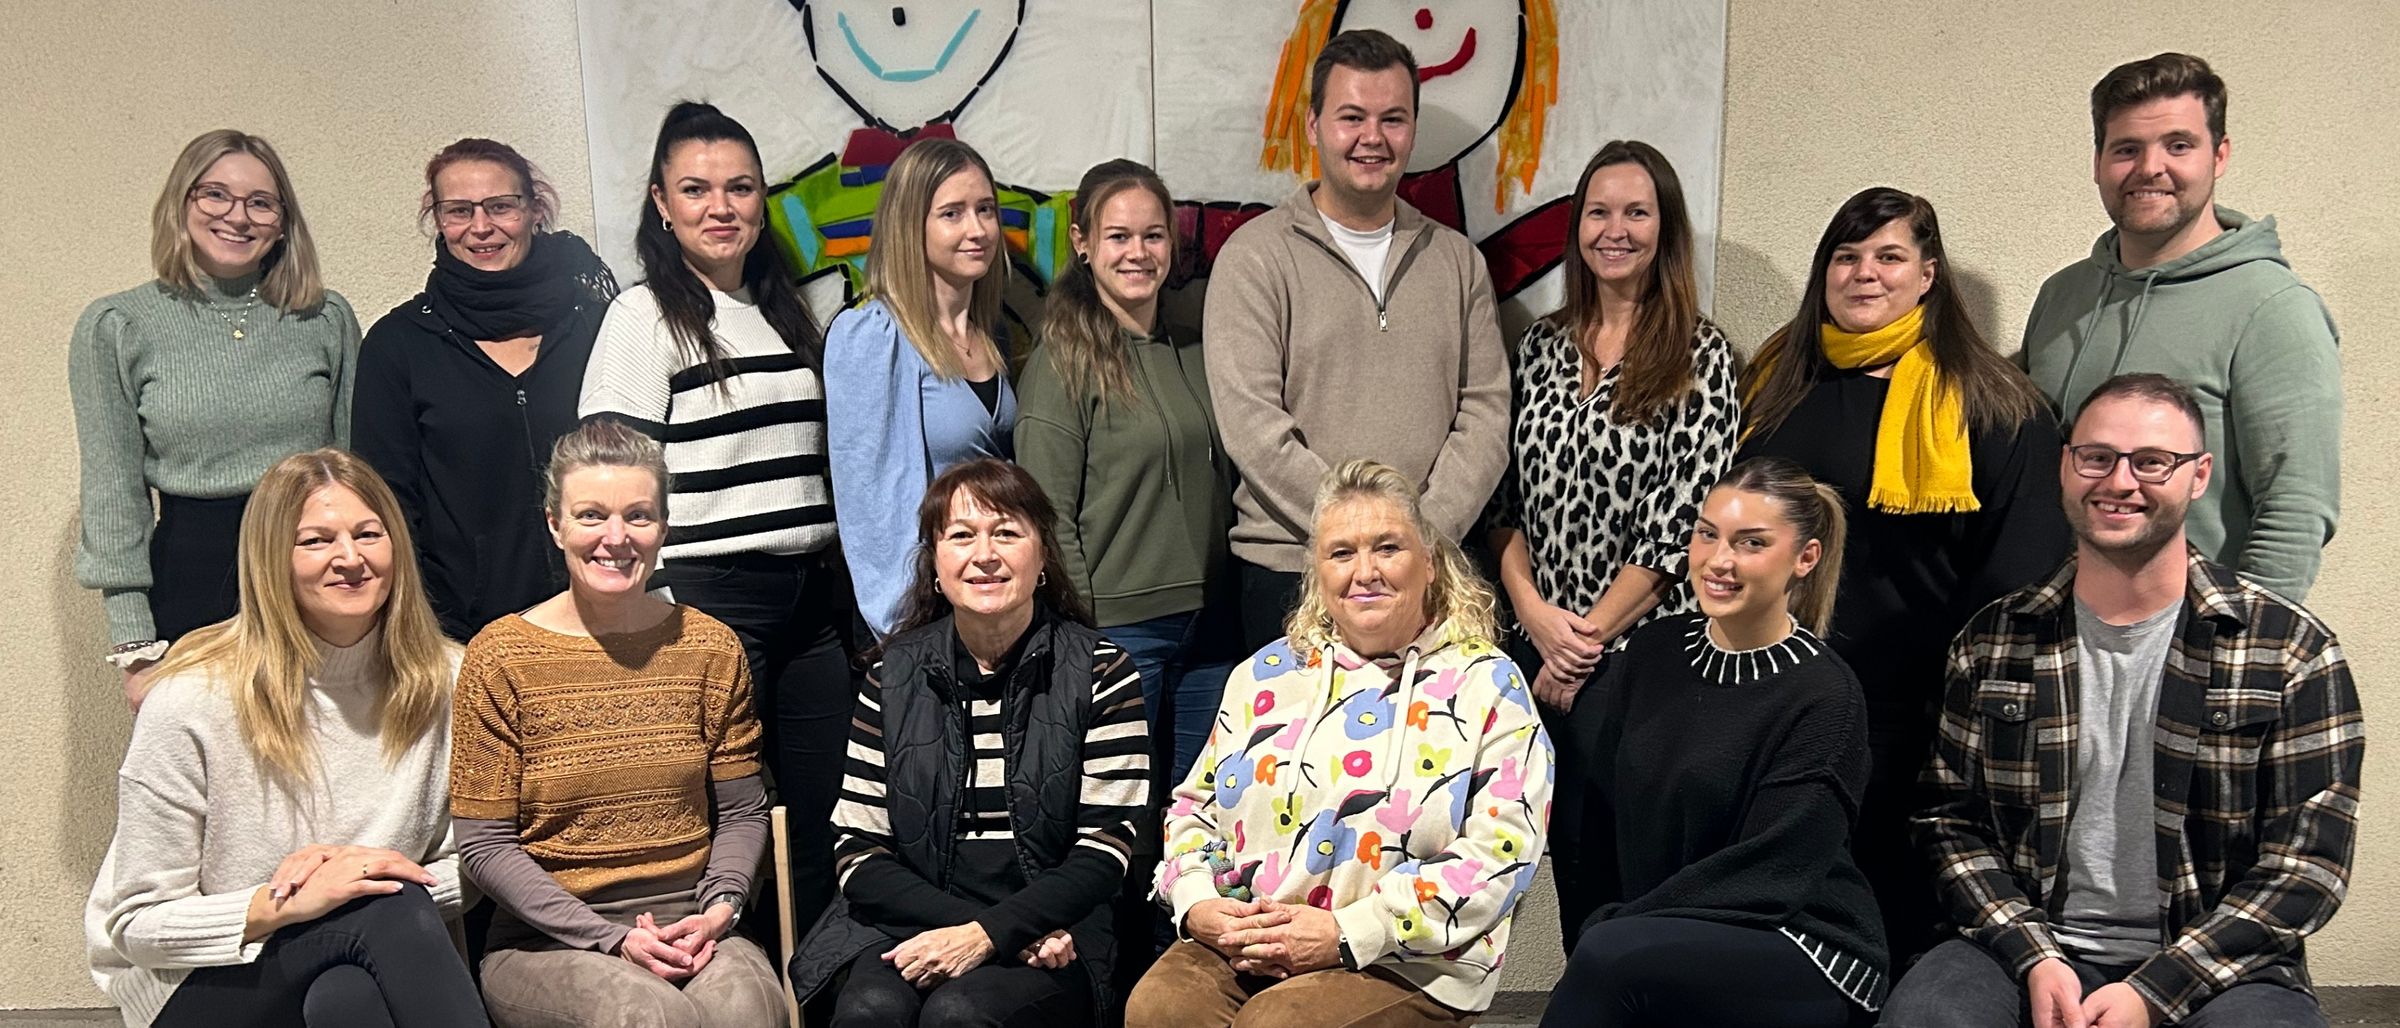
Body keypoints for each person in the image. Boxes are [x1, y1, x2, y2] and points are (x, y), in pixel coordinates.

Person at [1884, 373, 2364, 1028]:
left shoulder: (2291, 650)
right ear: (2066, 465)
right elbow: (1947, 822)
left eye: (2152, 462)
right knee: (1927, 1018)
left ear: (2199, 476)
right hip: (2022, 944)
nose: (2119, 481)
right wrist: (2033, 955)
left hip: (2219, 961)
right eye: (2098, 457)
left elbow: (2308, 865)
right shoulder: (1993, 642)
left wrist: (2156, 988)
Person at [1738, 187, 2069, 964]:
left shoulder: (1994, 404)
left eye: (1889, 256)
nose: (1865, 274)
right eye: (1846, 257)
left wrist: (1961, 704)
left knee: (1894, 924)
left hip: (1918, 718)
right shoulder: (1778, 382)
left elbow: (2019, 578)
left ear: (1928, 274)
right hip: (1782, 698)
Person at [1127, 459, 1553, 1027]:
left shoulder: (1488, 683)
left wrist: (1348, 931)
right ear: (1317, 573)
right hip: (1252, 937)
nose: (1365, 571)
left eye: (1388, 548)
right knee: (1159, 1010)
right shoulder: (1265, 674)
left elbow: (1501, 853)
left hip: (1412, 958)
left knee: (1282, 1025)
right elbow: (1193, 808)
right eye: (1342, 553)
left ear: (1429, 564)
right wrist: (1199, 901)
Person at [85, 449, 484, 1028]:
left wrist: (368, 874)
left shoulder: (449, 681)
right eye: (316, 541)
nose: (350, 558)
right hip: (198, 987)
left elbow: (471, 867)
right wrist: (289, 903)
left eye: (368, 534)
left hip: (366, 959)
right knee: (387, 910)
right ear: (273, 559)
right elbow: (137, 924)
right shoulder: (191, 698)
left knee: (350, 997)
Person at [578, 102, 850, 935]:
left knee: (822, 812)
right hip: (708, 601)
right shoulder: (642, 316)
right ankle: (739, 982)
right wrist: (645, 608)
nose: (719, 207)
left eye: (739, 187)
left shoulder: (788, 309)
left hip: (813, 603)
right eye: (695, 189)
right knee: (726, 820)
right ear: (661, 202)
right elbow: (608, 476)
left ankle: (817, 986)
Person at [1480, 139, 1739, 945]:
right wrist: (1537, 620)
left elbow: (1679, 530)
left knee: (1633, 867)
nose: (1615, 229)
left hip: (1641, 658)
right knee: (1567, 858)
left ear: (1666, 229)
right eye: (1599, 211)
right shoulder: (1541, 347)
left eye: (1636, 211)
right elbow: (1505, 506)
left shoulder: (1704, 355)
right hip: (1536, 649)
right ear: (1577, 227)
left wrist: (1583, 641)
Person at [789, 459, 1151, 1028]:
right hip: (913, 914)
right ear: (936, 563)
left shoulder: (1103, 670)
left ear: (1042, 559)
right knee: (868, 1010)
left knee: (961, 1016)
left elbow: (1108, 849)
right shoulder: (890, 676)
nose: (985, 554)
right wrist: (978, 930)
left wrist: (997, 933)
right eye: (961, 535)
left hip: (1060, 923)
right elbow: (857, 849)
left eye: (1007, 532)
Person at [451, 420, 784, 1027]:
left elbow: (741, 811)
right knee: (647, 1017)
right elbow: (483, 843)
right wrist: (609, 937)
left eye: (638, 515)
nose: (616, 537)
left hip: (693, 919)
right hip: (546, 939)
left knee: (752, 1008)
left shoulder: (710, 647)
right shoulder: (499, 656)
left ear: (663, 527)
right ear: (555, 524)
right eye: (591, 515)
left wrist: (721, 908)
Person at [1542, 457, 1884, 1027]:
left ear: (1806, 558)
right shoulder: (1654, 651)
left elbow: (1773, 870)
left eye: (1751, 544)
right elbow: (1601, 819)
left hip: (1803, 941)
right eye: (1707, 535)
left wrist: (1623, 928)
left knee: (1609, 959)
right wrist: (1603, 924)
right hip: (1657, 932)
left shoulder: (1825, 694)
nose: (1718, 562)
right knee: (1603, 959)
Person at [1205, 29, 1509, 650]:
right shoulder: (1255, 258)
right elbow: (1253, 427)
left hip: (1436, 571)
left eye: (1393, 119)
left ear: (1413, 129)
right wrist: (1363, 539)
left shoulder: (1457, 261)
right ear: (1314, 126)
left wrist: (1416, 540)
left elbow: (1485, 411)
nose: (1373, 138)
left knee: (1438, 750)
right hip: (1294, 573)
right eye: (1352, 117)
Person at [2021, 52, 2339, 601]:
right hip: (2057, 631)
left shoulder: (2274, 307)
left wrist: (2240, 646)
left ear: (2219, 156)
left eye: (2178, 145)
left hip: (2193, 641)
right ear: (2098, 161)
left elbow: (2295, 507)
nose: (2150, 168)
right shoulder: (2063, 294)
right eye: (2126, 149)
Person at [71, 129, 359, 708]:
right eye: (215, 195)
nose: (238, 216)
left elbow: (355, 473)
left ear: (282, 222)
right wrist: (134, 643)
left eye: (260, 202)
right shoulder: (118, 325)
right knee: (204, 789)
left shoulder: (324, 318)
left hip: (311, 573)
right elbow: (113, 490)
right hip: (191, 582)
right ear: (182, 203)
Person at [1015, 157, 1234, 785]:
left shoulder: (1197, 350)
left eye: (1153, 235)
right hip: (1121, 633)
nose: (1138, 253)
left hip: (1212, 629)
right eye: (1118, 236)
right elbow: (1046, 517)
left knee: (1200, 817)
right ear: (1083, 244)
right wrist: (1087, 633)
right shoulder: (1062, 365)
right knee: (1123, 817)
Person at [354, 137, 617, 642]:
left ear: (534, 209)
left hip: (600, 618)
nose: (481, 227)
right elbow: (388, 504)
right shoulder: (398, 345)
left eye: (501, 206)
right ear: (438, 220)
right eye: (459, 211)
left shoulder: (595, 324)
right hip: (460, 633)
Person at [828, 136, 1019, 639]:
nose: (977, 229)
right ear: (911, 225)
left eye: (985, 210)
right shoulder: (873, 332)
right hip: (921, 619)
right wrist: (905, 627)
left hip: (988, 603)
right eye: (952, 214)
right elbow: (869, 500)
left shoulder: (991, 332)